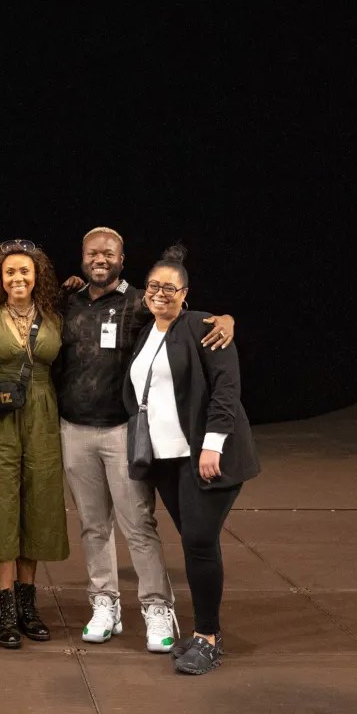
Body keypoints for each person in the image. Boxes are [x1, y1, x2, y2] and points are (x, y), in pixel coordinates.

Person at [56, 227, 234, 651]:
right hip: (74, 429)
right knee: (93, 525)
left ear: (122, 258)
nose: (101, 259)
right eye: (93, 252)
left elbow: (190, 316)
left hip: (123, 432)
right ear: (82, 257)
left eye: (110, 253)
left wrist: (227, 319)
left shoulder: (140, 301)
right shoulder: (68, 301)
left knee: (138, 523)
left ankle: (157, 607)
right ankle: (104, 603)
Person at [123, 247, 261, 676]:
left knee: (199, 542)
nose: (160, 293)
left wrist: (212, 445)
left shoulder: (205, 327)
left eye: (170, 287)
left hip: (204, 457)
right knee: (194, 543)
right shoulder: (147, 332)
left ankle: (208, 637)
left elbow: (226, 388)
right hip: (166, 460)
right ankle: (204, 630)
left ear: (186, 293)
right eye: (154, 286)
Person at [0, 240, 69, 648]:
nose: (17, 278)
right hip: (0, 418)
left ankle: (29, 605)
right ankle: (6, 607)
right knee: (2, 506)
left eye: (25, 271)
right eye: (10, 271)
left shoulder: (53, 317)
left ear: (37, 276)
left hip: (43, 418)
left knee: (39, 503)